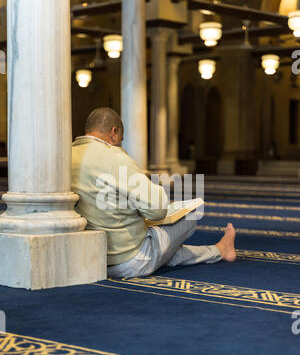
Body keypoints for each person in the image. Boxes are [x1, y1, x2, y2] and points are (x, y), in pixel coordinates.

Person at [72, 107, 236, 278]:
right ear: (114, 133)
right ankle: (219, 249)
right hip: (130, 259)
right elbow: (157, 211)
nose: (120, 144)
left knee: (164, 249)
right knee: (192, 212)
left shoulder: (67, 154)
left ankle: (220, 250)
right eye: (121, 139)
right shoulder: (115, 157)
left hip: (93, 260)